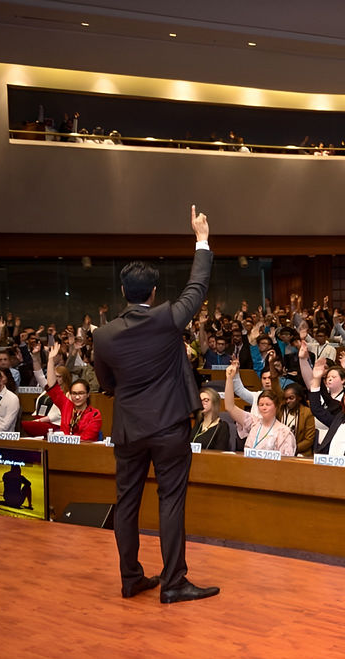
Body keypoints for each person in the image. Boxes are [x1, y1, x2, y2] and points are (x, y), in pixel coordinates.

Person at [92, 205, 219, 604]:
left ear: (124, 293)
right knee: (171, 500)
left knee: (125, 504)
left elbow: (105, 383)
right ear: (152, 293)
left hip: (129, 429)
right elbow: (196, 289)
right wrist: (201, 240)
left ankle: (131, 578)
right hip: (168, 428)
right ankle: (174, 582)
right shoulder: (166, 318)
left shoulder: (105, 336)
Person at [223, 362, 295, 455]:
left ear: (276, 406)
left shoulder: (284, 432)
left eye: (268, 405)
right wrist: (229, 378)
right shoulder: (253, 423)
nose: (264, 408)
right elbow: (230, 407)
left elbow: (287, 463)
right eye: (261, 405)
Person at [190, 387, 231, 451]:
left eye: (206, 400)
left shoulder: (222, 427)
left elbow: (219, 453)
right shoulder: (199, 422)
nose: (202, 403)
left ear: (215, 402)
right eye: (200, 400)